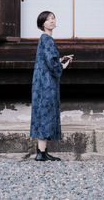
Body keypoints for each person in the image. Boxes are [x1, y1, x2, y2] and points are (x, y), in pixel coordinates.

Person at [30, 11, 74, 161]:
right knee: (45, 115)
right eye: (48, 20)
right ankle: (41, 154)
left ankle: (42, 152)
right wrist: (63, 65)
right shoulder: (47, 39)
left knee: (42, 114)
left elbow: (47, 60)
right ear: (43, 24)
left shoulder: (44, 39)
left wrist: (60, 59)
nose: (52, 21)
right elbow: (52, 64)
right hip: (46, 84)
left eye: (53, 18)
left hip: (41, 82)